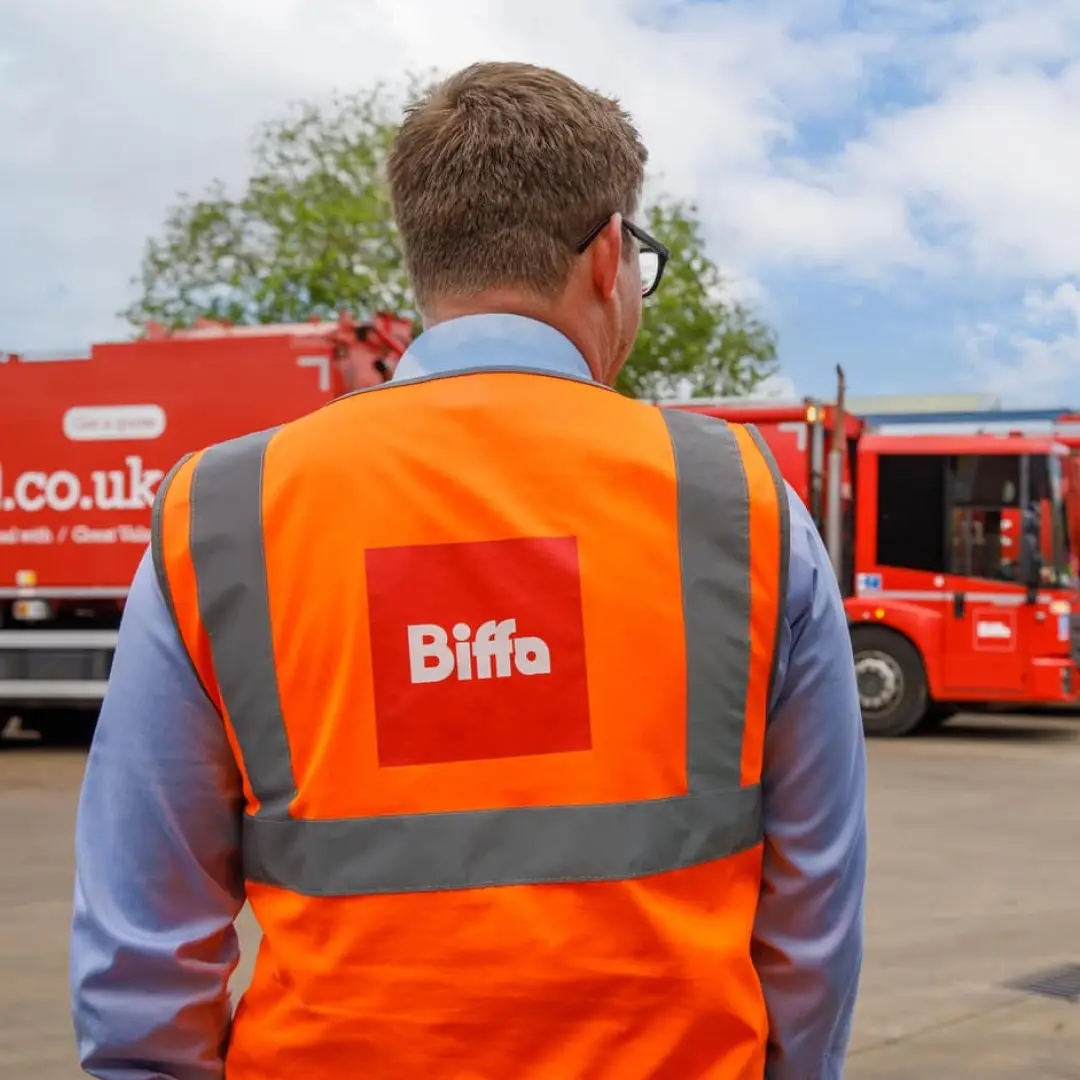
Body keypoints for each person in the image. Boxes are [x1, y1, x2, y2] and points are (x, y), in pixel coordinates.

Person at [70, 61, 867, 1079]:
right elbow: (812, 921)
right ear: (608, 256)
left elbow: (141, 941)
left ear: (425, 258)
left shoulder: (219, 514)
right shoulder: (743, 504)